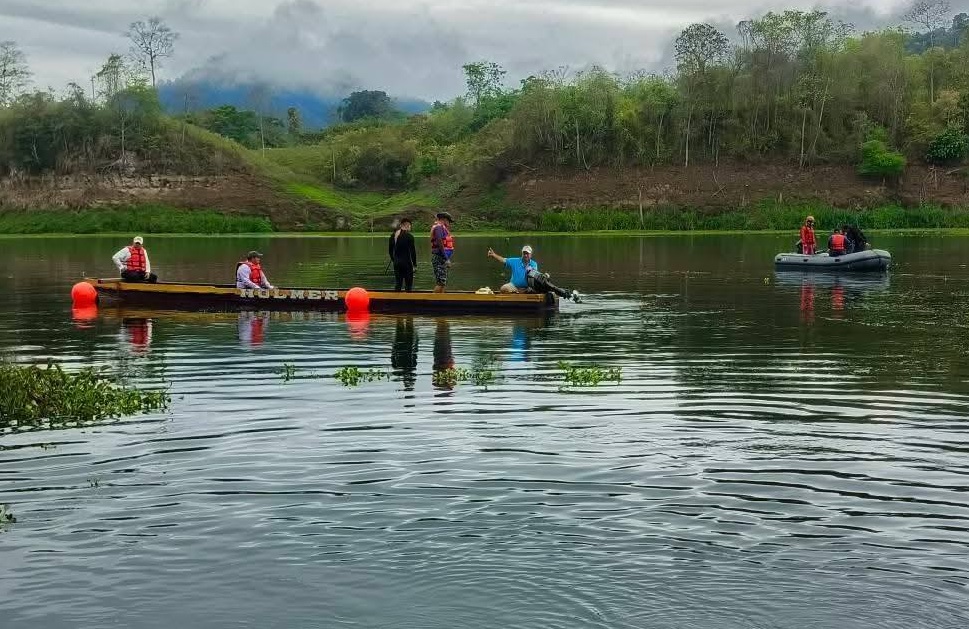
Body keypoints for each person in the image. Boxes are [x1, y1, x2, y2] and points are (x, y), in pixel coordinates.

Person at [486, 245, 581, 302]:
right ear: (522, 254)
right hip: (514, 286)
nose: (526, 255)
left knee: (545, 289)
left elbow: (534, 275)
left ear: (531, 255)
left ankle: (568, 294)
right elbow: (503, 260)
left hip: (528, 287)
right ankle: (518, 294)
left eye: (527, 253)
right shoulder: (514, 261)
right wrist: (493, 255)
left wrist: (544, 276)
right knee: (503, 288)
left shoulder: (533, 264)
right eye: (524, 253)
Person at [388, 218, 418, 292]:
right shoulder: (409, 236)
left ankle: (396, 300)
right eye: (410, 226)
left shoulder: (393, 235)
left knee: (398, 284)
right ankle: (408, 300)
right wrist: (414, 265)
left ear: (401, 225)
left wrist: (394, 260)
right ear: (408, 226)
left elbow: (390, 251)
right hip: (407, 263)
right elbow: (412, 252)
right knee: (408, 285)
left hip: (397, 263)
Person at [430, 212, 454, 293]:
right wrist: (446, 258)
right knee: (440, 282)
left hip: (442, 258)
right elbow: (440, 242)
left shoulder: (441, 227)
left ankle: (441, 300)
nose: (449, 224)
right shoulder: (439, 227)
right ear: (444, 219)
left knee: (443, 282)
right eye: (449, 221)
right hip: (439, 257)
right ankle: (431, 302)